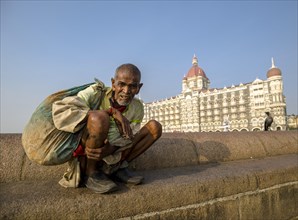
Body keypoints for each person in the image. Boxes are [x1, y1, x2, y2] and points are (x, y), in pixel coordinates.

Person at [23, 63, 162, 194]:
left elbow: (131, 135)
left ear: (139, 87)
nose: (126, 91)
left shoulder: (137, 107)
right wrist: (110, 112)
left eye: (133, 86)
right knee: (99, 118)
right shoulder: (95, 93)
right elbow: (65, 110)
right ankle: (91, 174)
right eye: (121, 84)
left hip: (115, 150)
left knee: (155, 127)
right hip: (88, 150)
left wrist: (110, 149)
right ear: (113, 84)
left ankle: (117, 168)